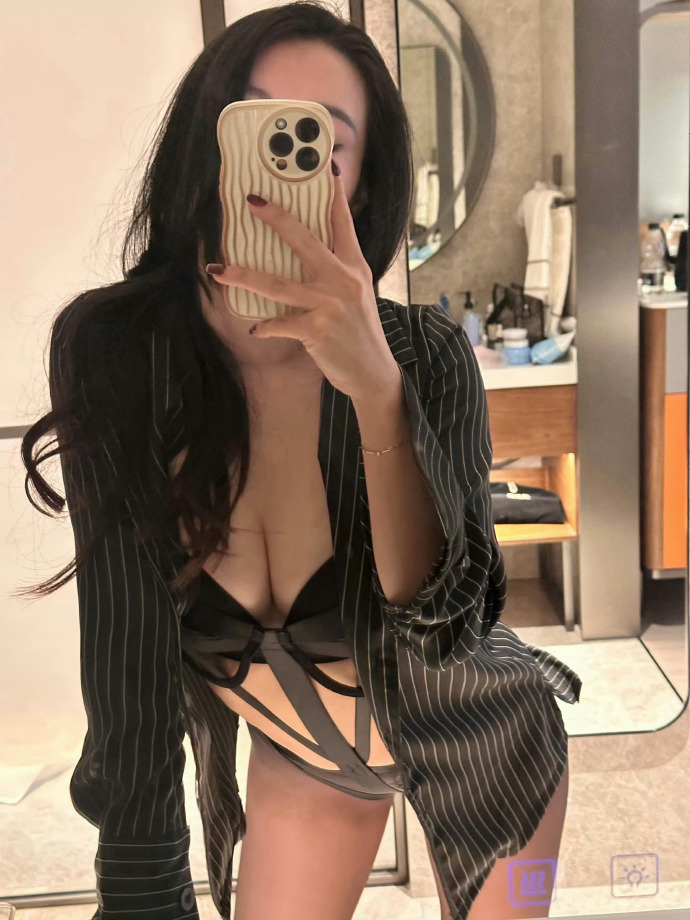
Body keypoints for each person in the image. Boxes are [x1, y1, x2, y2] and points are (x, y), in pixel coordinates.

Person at [19, 2, 582, 918]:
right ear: (204, 141)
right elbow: (126, 667)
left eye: (319, 142)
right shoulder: (120, 353)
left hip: (498, 760)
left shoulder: (427, 357)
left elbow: (447, 635)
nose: (277, 163)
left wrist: (377, 391)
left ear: (358, 184)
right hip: (310, 768)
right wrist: (141, 889)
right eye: (249, 118)